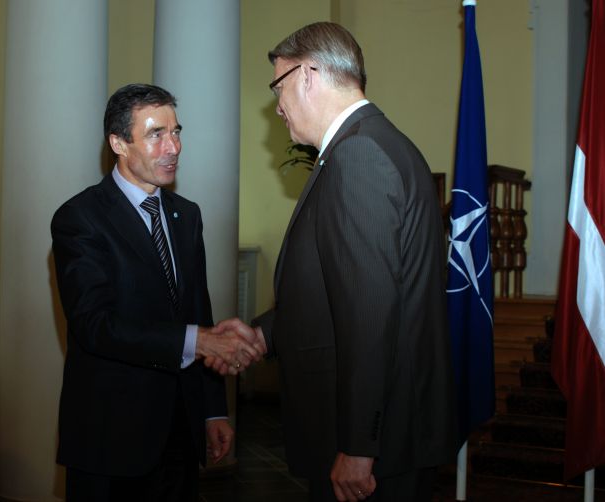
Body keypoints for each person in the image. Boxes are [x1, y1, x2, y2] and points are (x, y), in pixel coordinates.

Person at [212, 22, 457, 501]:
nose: (277, 106)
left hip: (375, 448)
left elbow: (370, 314)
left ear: (308, 75)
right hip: (388, 434)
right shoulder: (369, 144)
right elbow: (339, 292)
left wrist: (359, 445)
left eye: (278, 88)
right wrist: (263, 335)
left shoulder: (358, 155)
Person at [51, 83, 258, 501]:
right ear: (118, 144)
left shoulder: (187, 216)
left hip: (180, 434)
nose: (173, 147)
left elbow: (198, 312)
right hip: (111, 439)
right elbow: (95, 325)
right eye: (156, 134)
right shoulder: (80, 218)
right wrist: (199, 341)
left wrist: (213, 411)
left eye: (176, 132)